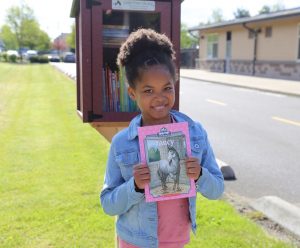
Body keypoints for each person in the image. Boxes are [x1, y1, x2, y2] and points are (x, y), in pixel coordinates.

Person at [100, 28, 224, 248]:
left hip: (177, 241)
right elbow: (108, 204)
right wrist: (135, 186)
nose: (159, 98)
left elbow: (217, 190)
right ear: (132, 93)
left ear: (174, 85)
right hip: (135, 241)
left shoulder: (194, 134)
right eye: (148, 90)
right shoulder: (122, 144)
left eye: (167, 88)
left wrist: (200, 175)